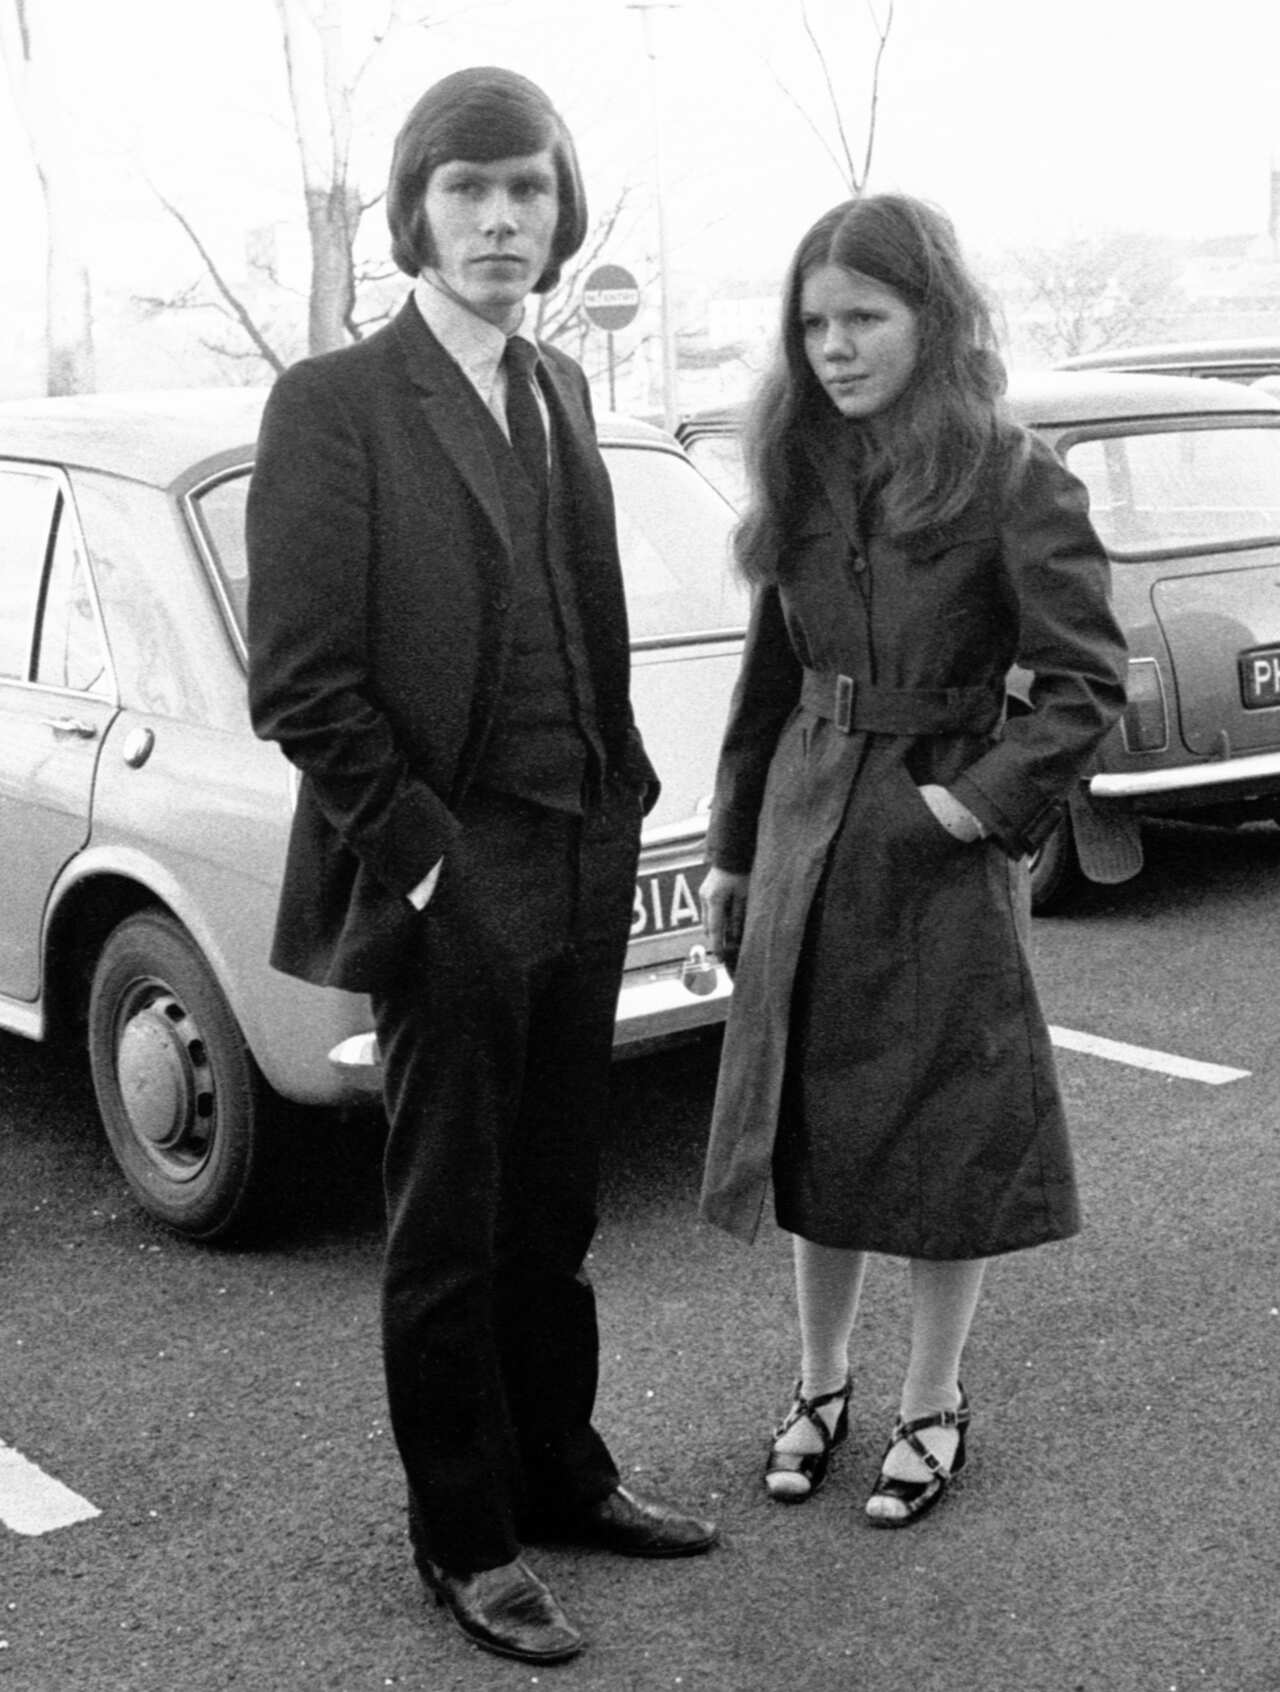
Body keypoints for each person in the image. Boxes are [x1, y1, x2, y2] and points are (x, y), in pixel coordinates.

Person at [247, 66, 716, 1668]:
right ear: (418, 210)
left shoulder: (560, 383)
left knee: (557, 1204)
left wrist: (622, 798)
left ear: (557, 211)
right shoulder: (336, 404)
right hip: (453, 870)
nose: (503, 219)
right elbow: (303, 685)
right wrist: (437, 871)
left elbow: (588, 613)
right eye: (470, 189)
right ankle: (464, 1535)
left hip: (583, 846)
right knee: (449, 1224)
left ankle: (561, 1473)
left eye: (528, 189)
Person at [699, 194, 1127, 1528]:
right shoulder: (801, 464)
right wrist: (730, 851)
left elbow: (1084, 682)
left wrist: (972, 808)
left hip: (934, 841)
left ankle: (932, 1401)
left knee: (946, 1132)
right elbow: (769, 680)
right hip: (805, 825)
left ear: (929, 318)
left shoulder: (1010, 471)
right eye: (814, 323)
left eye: (864, 318)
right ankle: (819, 1383)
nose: (834, 347)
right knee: (814, 1121)